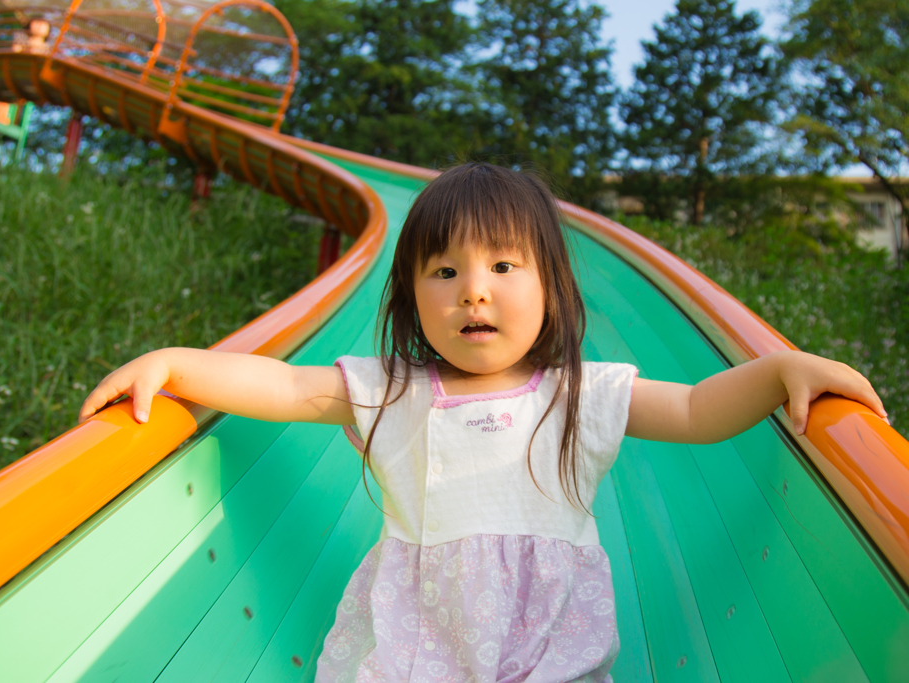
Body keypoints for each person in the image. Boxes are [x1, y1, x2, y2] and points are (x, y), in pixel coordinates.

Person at [78, 163, 886, 682]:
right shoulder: (391, 391)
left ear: (552, 288)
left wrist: (781, 370)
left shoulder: (581, 393)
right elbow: (284, 384)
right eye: (445, 270)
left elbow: (699, 408)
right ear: (409, 299)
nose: (474, 290)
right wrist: (178, 363)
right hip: (416, 652)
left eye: (504, 265)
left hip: (547, 657)